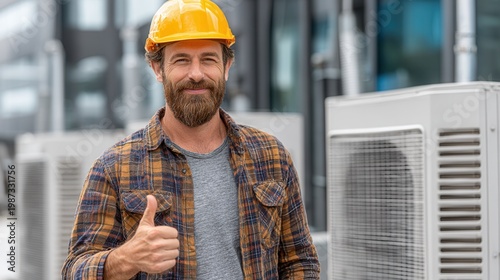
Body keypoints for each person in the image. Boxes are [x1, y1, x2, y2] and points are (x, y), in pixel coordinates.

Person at [62, 0, 320, 279]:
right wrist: (126, 258)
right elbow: (75, 270)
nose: (196, 74)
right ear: (157, 69)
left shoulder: (271, 156)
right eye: (181, 60)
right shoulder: (114, 167)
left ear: (227, 66)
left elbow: (299, 261)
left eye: (208, 59)